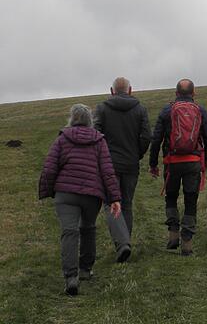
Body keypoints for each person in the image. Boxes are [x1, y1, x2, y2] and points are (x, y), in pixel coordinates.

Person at [39, 104, 122, 296]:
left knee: (69, 232)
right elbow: (108, 171)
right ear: (90, 120)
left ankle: (71, 277)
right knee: (88, 229)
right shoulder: (99, 141)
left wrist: (50, 190)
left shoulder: (62, 139)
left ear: (72, 119)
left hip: (65, 194)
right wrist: (115, 198)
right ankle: (85, 269)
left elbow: (50, 168)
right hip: (92, 196)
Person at [149, 79, 207, 256]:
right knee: (190, 200)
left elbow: (156, 139)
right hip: (193, 162)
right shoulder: (200, 110)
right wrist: (206, 160)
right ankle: (187, 244)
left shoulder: (166, 110)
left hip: (172, 163)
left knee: (171, 197)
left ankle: (172, 235)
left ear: (176, 93)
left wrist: (153, 164)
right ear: (194, 93)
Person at [94, 77, 151, 260]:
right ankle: (126, 242)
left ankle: (122, 243)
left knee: (111, 203)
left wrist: (101, 158)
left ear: (111, 91)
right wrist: (137, 154)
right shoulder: (140, 109)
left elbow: (95, 135)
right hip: (131, 164)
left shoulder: (101, 109)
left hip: (108, 165)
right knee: (126, 203)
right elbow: (146, 136)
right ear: (130, 90)